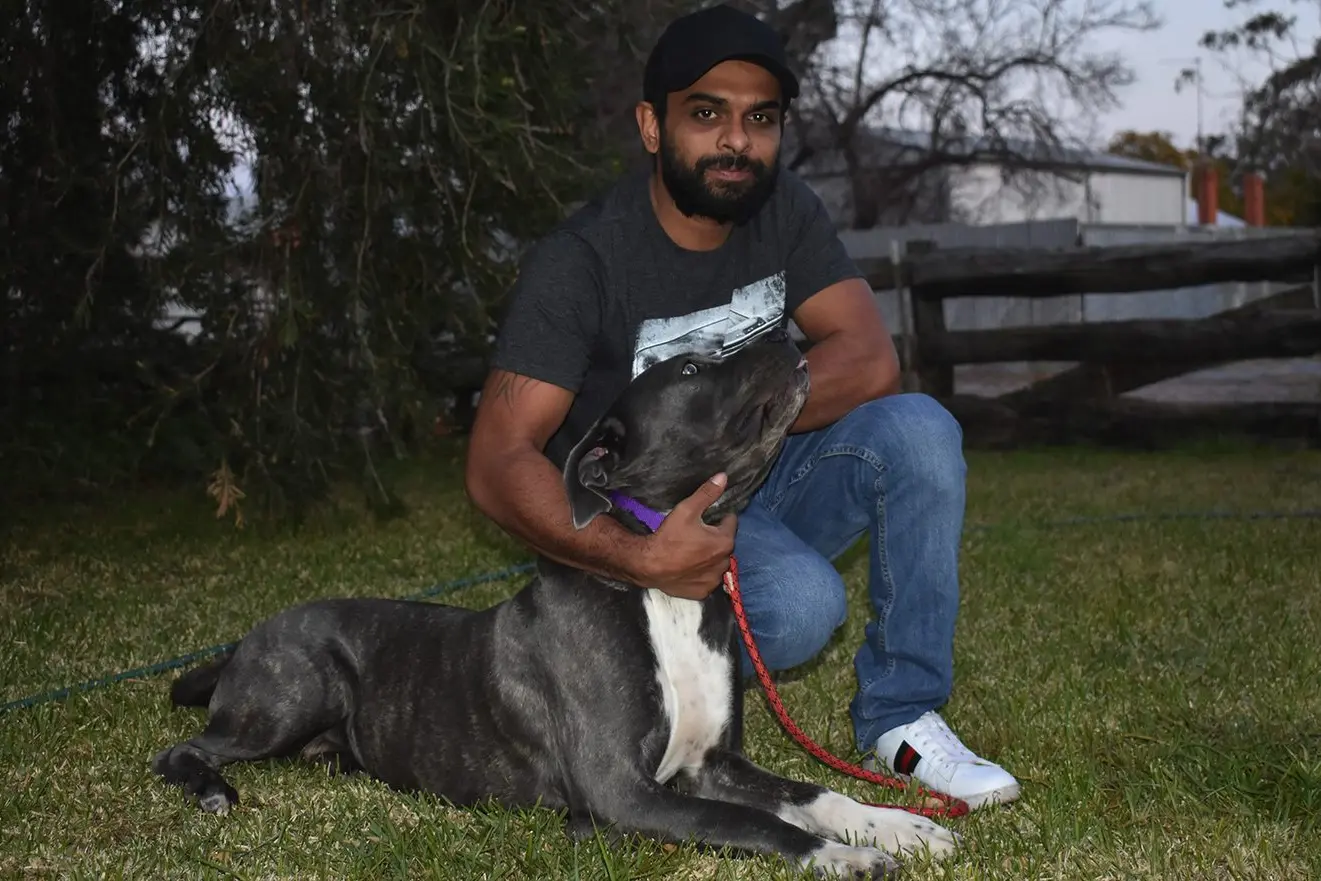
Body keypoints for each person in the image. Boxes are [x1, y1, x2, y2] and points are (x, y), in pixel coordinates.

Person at [463, 3, 1019, 810]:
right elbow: (496, 459)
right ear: (653, 126)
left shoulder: (784, 209)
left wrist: (743, 427)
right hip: (647, 513)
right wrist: (638, 553)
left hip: (763, 471)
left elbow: (867, 358)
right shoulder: (582, 260)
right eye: (706, 114)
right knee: (797, 609)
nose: (736, 141)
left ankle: (901, 716)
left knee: (921, 429)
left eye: (759, 119)